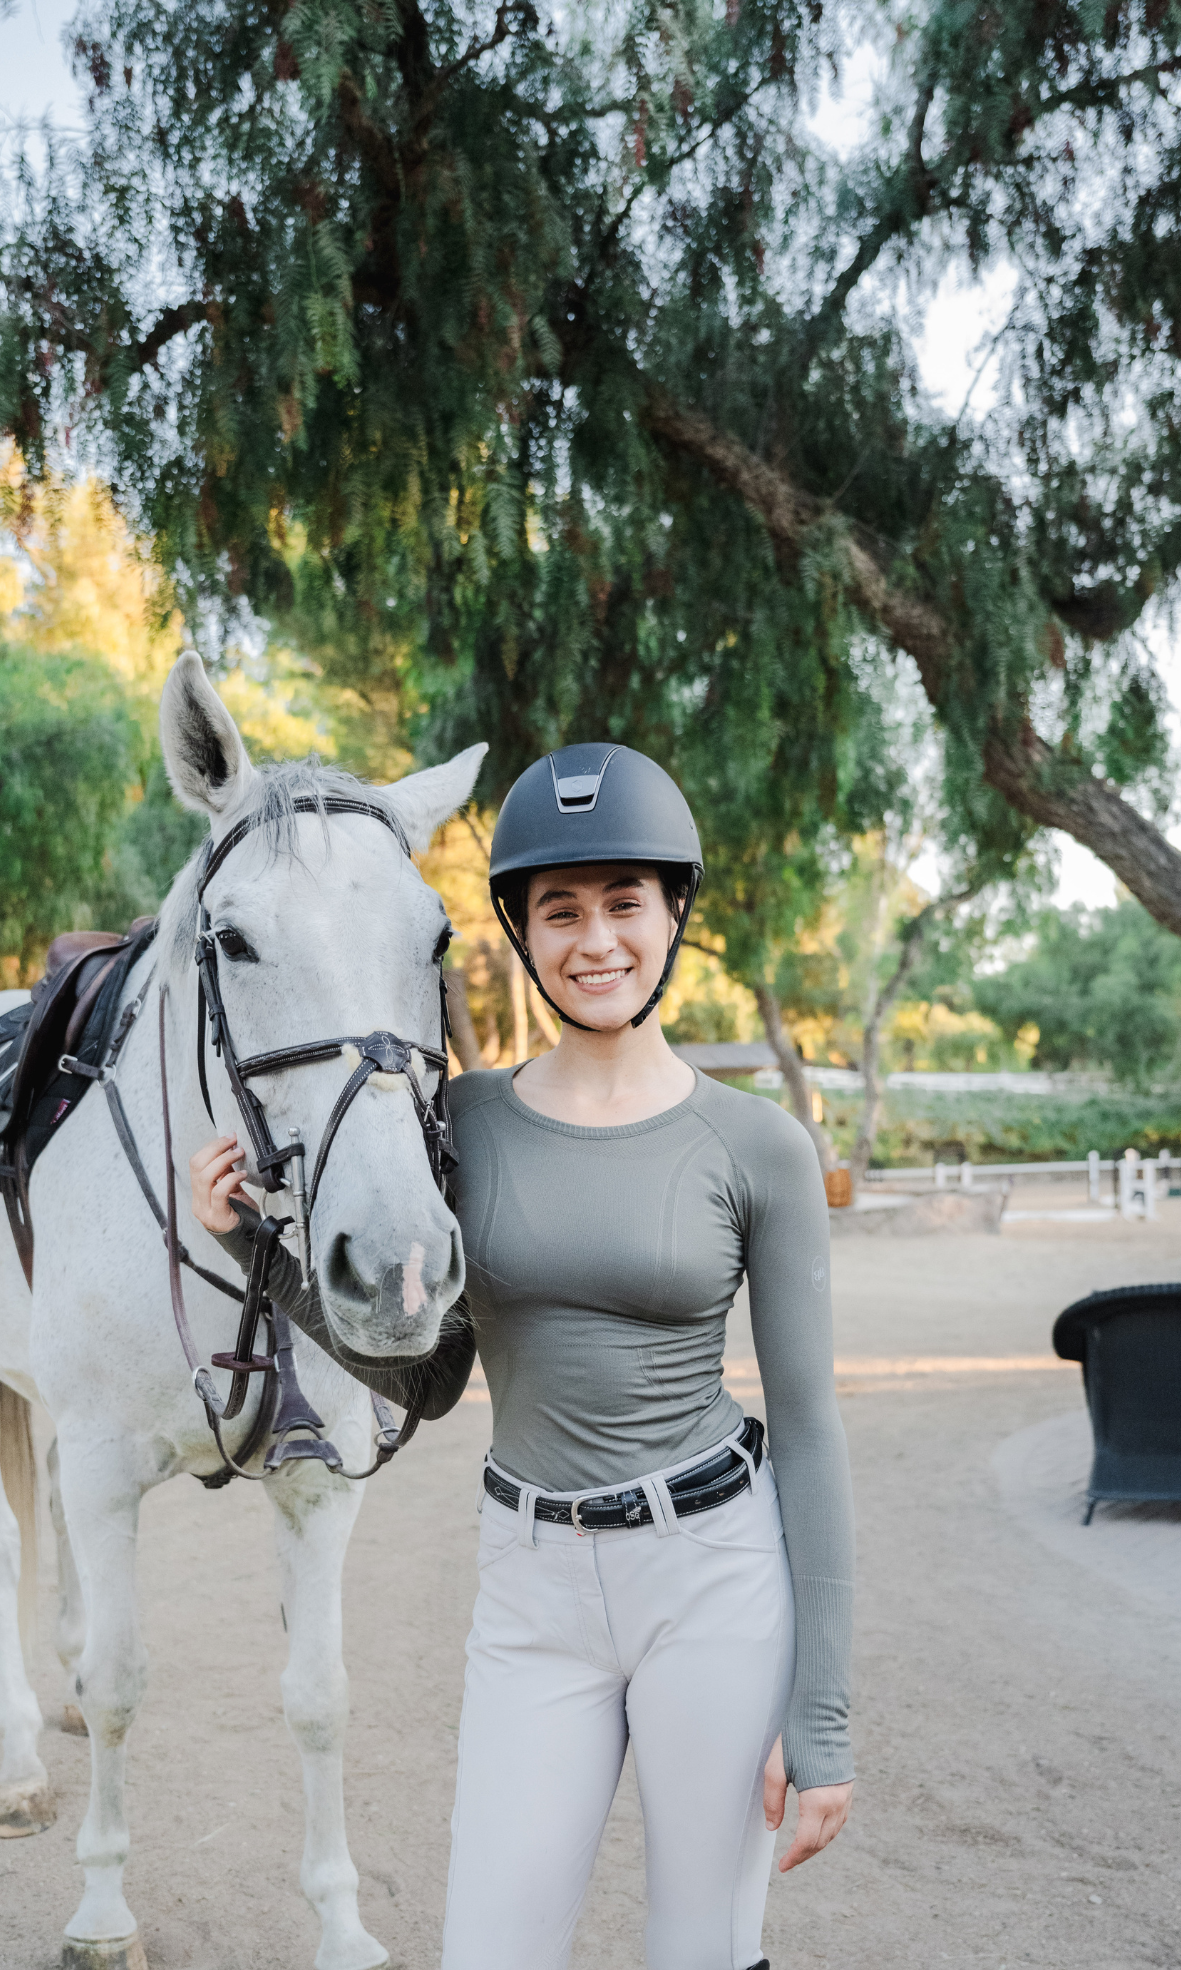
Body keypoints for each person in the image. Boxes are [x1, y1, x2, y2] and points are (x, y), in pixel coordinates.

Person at [189, 743, 855, 1970]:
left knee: (700, 1949)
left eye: (623, 903)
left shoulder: (759, 1145)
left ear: (671, 916)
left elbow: (809, 1432)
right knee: (491, 1948)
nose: (594, 939)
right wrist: (265, 1258)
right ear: (519, 931)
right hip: (531, 1578)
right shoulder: (467, 1122)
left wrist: (822, 1716)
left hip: (711, 1571)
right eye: (560, 910)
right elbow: (433, 1380)